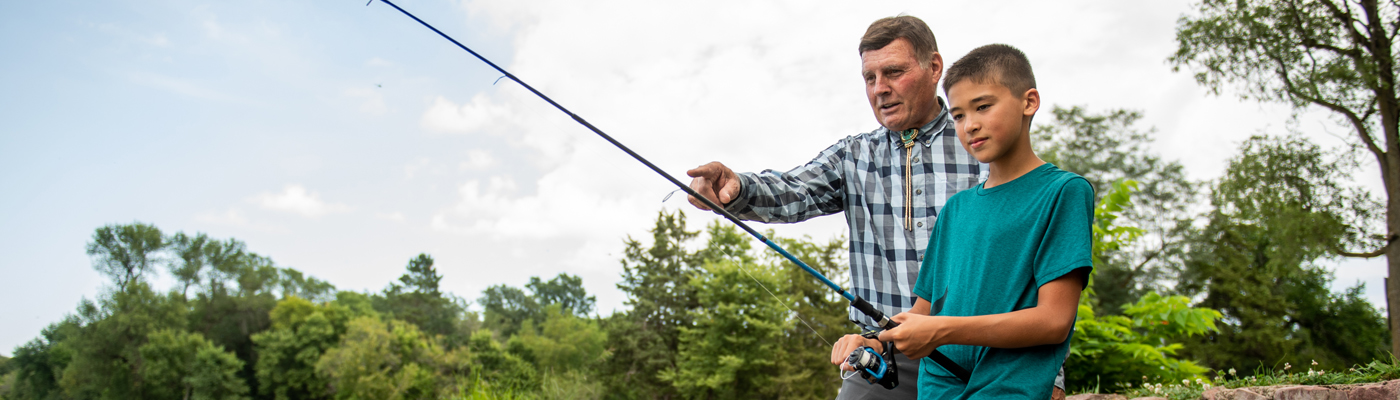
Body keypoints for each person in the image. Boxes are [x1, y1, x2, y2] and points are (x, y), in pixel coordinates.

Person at [685, 16, 1065, 400]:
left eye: (894, 72)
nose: (880, 89)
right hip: (885, 352)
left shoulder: (986, 140)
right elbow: (792, 189)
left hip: (989, 348)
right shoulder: (853, 155)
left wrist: (1052, 377)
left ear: (934, 68)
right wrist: (737, 189)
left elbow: (1040, 277)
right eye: (870, 78)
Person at [868, 44, 1093, 399]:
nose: (970, 125)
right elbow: (921, 314)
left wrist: (942, 331)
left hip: (1009, 390)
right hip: (938, 390)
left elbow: (1054, 321)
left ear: (1029, 102)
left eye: (983, 106)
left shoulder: (1063, 192)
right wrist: (873, 341)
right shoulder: (955, 210)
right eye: (957, 116)